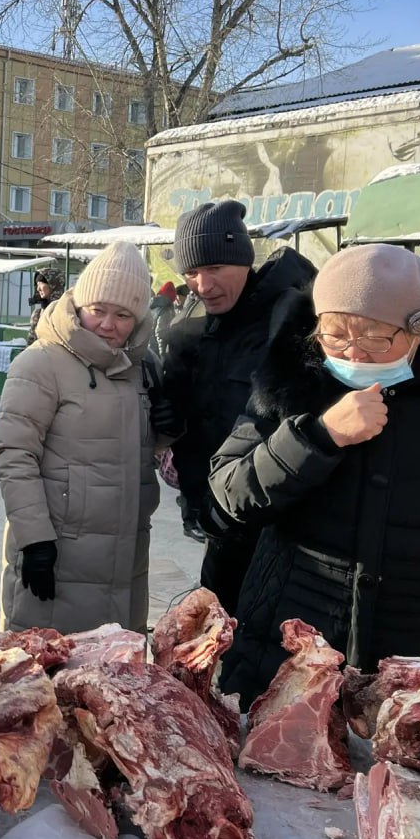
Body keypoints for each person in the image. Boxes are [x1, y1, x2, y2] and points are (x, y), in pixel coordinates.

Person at [209, 245, 420, 705]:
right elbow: (228, 495)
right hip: (288, 661)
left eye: (375, 338)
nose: (352, 352)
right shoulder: (295, 381)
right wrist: (317, 438)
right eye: (334, 336)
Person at [0, 243, 161, 634]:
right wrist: (35, 541)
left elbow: (147, 451)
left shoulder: (143, 368)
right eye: (98, 310)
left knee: (110, 684)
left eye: (122, 315)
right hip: (57, 555)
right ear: (79, 303)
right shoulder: (41, 363)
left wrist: (169, 421)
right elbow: (14, 455)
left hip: (125, 560)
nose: (107, 324)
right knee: (43, 678)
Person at [159, 200, 315, 611]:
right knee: (215, 637)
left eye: (215, 269)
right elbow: (198, 416)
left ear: (244, 261)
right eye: (191, 272)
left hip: (276, 525)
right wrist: (168, 411)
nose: (203, 285)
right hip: (221, 519)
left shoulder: (290, 316)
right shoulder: (195, 323)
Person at [25, 269, 65, 345]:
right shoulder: (37, 313)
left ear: (52, 285)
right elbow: (31, 342)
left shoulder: (64, 312)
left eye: (41, 284)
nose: (38, 289)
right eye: (37, 284)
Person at [147, 280, 178, 358]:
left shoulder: (151, 304)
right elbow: (161, 333)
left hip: (146, 346)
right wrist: (162, 355)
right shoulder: (166, 309)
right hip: (156, 351)